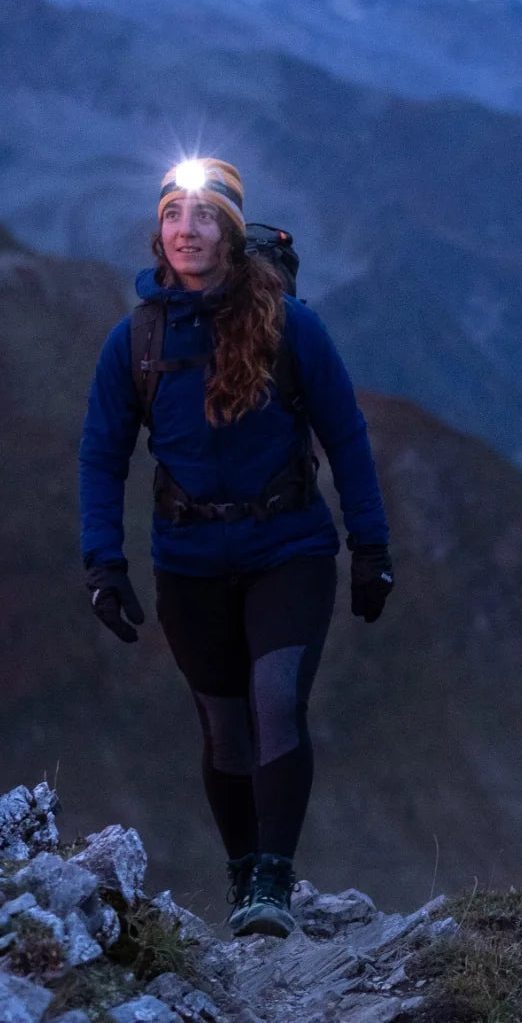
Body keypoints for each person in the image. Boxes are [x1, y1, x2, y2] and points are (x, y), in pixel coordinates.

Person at [77, 158, 394, 939]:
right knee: (223, 726)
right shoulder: (136, 341)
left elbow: (346, 436)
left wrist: (369, 547)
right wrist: (103, 564)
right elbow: (100, 455)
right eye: (175, 215)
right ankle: (242, 870)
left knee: (278, 702)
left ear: (231, 232)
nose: (188, 230)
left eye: (205, 216)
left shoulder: (293, 326)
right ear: (158, 230)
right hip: (188, 561)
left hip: (289, 547)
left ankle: (273, 885)